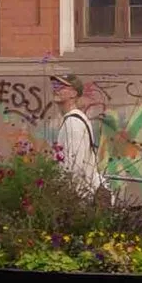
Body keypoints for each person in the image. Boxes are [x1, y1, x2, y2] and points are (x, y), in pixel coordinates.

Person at [48, 74, 104, 202]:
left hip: (79, 200)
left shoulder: (73, 123)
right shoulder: (74, 119)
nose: (56, 89)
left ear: (73, 93)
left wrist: (67, 199)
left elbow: (75, 166)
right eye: (54, 85)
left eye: (61, 86)